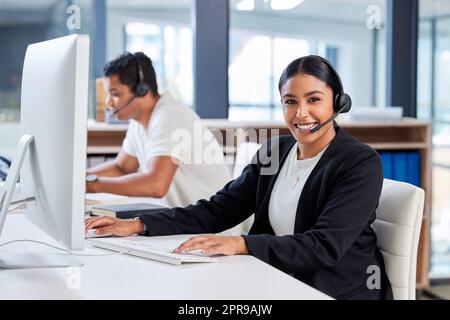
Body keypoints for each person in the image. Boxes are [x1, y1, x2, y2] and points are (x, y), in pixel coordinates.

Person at [85, 55, 393, 300]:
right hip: (277, 277)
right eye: (290, 101)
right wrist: (139, 223)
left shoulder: (358, 162)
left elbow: (324, 246)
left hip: (334, 289)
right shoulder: (276, 150)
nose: (301, 113)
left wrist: (242, 244)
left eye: (314, 100)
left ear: (337, 102)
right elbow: (219, 209)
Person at [86, 52, 231, 207]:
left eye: (115, 94)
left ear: (142, 90)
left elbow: (155, 185)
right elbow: (121, 167)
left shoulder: (170, 115)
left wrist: (91, 186)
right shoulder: (140, 122)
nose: (109, 102)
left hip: (215, 225)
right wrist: (80, 178)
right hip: (186, 220)